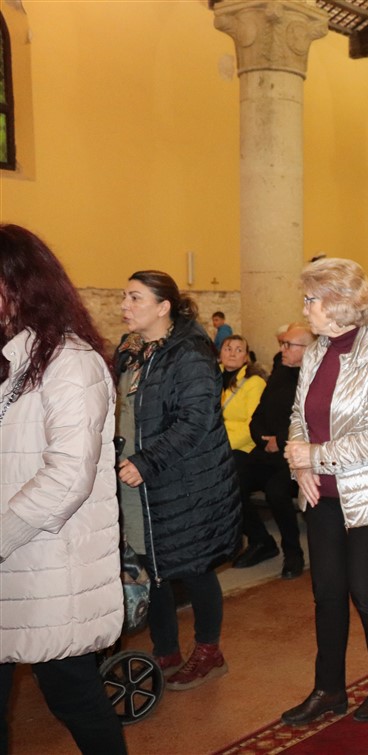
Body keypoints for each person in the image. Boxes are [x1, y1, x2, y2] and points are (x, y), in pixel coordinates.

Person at [0, 224, 127, 754]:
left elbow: (68, 476)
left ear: (21, 285)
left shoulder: (71, 362)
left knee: (74, 697)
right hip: (16, 559)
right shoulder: (12, 359)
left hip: (51, 562)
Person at [279, 258, 368, 725]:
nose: (305, 308)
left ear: (338, 303)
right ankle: (329, 689)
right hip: (321, 491)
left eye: (311, 300)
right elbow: (299, 414)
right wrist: (301, 463)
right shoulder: (317, 351)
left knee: (366, 589)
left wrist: (314, 456)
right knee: (327, 592)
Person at [116, 270, 241, 691]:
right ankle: (165, 649)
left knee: (195, 565)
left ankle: (209, 650)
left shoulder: (189, 352)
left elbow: (196, 420)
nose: (125, 306)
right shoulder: (131, 349)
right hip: (138, 479)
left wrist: (146, 461)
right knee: (151, 565)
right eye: (125, 297)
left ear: (163, 307)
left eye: (135, 298)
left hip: (186, 480)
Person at [241, 323, 313, 579]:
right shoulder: (280, 373)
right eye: (282, 344)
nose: (282, 349)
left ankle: (293, 553)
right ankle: (261, 541)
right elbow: (259, 413)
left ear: (307, 349)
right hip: (266, 451)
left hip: (295, 458)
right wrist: (262, 439)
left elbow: (311, 422)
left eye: (288, 345)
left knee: (276, 490)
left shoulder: (314, 378)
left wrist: (280, 441)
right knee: (229, 482)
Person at [220, 335, 273, 569]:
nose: (232, 353)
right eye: (228, 348)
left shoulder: (254, 383)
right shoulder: (211, 377)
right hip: (217, 446)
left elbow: (253, 424)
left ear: (246, 357)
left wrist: (221, 441)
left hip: (245, 448)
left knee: (231, 488)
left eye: (238, 349)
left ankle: (261, 540)